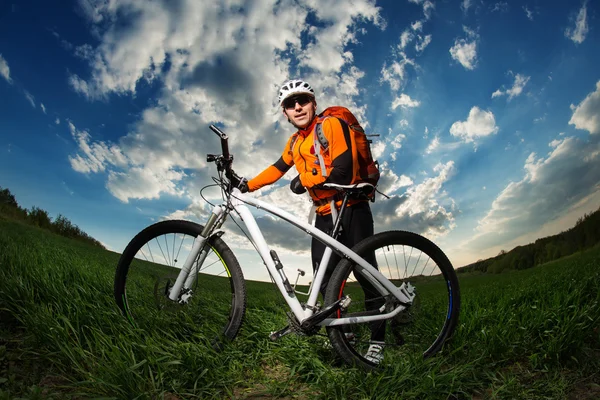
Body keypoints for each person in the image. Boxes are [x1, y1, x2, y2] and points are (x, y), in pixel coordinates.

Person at [238, 79, 385, 363]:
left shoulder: (329, 125)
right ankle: (344, 338)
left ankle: (378, 340)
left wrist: (304, 180)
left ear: (313, 103)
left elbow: (343, 171)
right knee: (325, 278)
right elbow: (277, 169)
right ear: (285, 113)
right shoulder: (295, 142)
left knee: (366, 274)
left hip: (351, 207)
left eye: (302, 100)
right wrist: (247, 185)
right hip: (323, 214)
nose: (297, 107)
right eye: (290, 104)